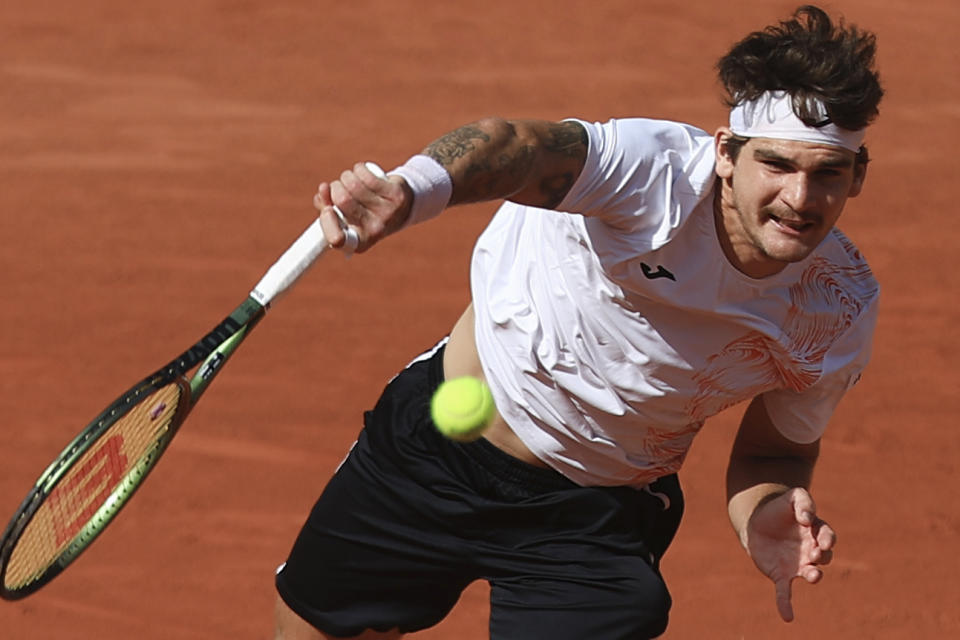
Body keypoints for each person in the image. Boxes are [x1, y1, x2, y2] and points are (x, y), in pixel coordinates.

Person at [273, 5, 884, 639]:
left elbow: (773, 450)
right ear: (726, 154)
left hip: (594, 514)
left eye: (827, 173)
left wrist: (762, 511)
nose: (799, 199)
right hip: (434, 450)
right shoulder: (655, 174)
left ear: (857, 176)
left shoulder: (836, 308)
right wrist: (412, 189)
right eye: (778, 165)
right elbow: (519, 147)